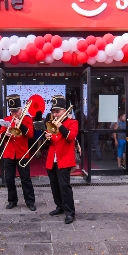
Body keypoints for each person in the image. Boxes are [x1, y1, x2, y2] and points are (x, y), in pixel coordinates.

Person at [0, 95, 36, 211]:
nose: (14, 113)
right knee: (9, 178)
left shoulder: (27, 119)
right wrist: (5, 134)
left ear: (21, 109)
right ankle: (12, 201)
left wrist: (21, 124)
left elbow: (30, 135)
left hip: (22, 153)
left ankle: (30, 202)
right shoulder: (7, 120)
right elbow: (0, 134)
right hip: (9, 153)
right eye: (12, 111)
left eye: (16, 111)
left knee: (25, 178)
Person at [46, 95, 78, 224]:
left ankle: (70, 212)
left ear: (64, 111)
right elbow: (52, 141)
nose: (55, 114)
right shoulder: (52, 123)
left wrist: (60, 125)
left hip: (64, 158)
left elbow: (71, 137)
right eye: (53, 112)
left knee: (65, 186)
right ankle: (60, 207)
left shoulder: (72, 122)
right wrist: (47, 138)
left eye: (57, 112)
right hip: (52, 158)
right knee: (54, 186)